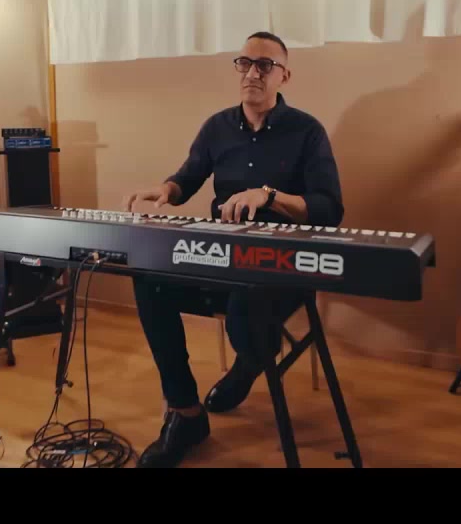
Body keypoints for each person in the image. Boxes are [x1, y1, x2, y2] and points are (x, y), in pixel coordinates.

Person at [122, 30, 345, 468]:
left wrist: (269, 195)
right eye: (245, 63)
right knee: (148, 278)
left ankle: (248, 363)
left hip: (284, 265)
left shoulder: (307, 131)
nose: (252, 73)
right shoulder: (217, 127)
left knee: (246, 310)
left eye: (265, 65)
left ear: (284, 76)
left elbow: (329, 208)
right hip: (223, 257)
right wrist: (166, 189)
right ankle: (185, 413)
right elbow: (188, 177)